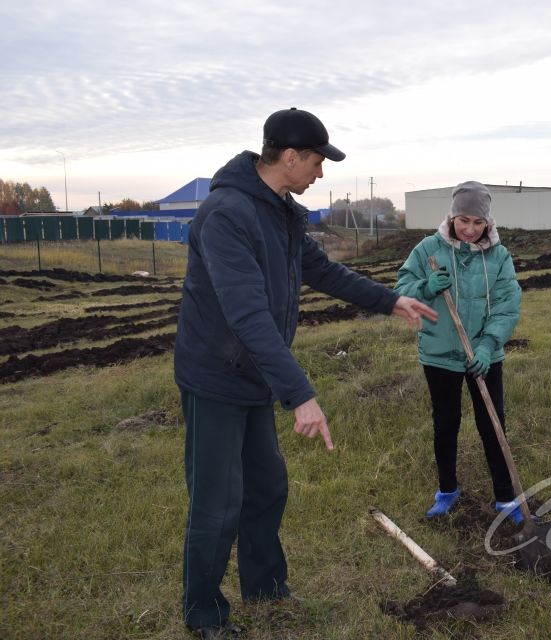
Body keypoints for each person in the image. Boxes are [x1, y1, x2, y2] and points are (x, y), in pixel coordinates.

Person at [173, 107, 437, 638]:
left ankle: (266, 587)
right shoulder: (228, 214)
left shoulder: (279, 210)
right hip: (217, 377)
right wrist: (300, 395)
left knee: (267, 486)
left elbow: (319, 269)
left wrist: (389, 301)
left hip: (251, 375)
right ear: (289, 157)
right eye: (317, 161)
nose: (321, 173)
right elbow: (246, 315)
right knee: (217, 502)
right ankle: (203, 613)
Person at [394, 181, 524, 523]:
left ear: (487, 223)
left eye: (477, 222)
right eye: (463, 220)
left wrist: (488, 344)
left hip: (484, 356)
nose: (469, 229)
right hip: (439, 354)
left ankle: (506, 498)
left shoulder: (499, 255)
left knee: (492, 423)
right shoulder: (428, 250)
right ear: (452, 216)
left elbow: (508, 305)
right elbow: (402, 288)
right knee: (446, 423)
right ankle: (447, 491)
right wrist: (425, 287)